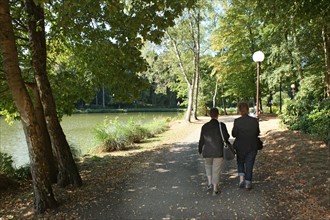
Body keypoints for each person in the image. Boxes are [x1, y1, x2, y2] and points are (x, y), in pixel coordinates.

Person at [198, 107, 230, 195]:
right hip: (218, 151)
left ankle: (209, 184)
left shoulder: (204, 126)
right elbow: (226, 137)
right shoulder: (221, 125)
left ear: (209, 115)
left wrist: (200, 149)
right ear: (218, 115)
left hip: (207, 151)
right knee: (216, 169)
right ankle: (215, 188)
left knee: (208, 166)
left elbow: (201, 140)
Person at [232, 102, 260, 190]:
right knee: (249, 164)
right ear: (247, 109)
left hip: (240, 146)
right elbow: (257, 133)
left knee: (240, 162)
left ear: (239, 110)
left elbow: (234, 134)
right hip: (252, 145)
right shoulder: (254, 120)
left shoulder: (237, 121)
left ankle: (241, 180)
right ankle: (248, 183)